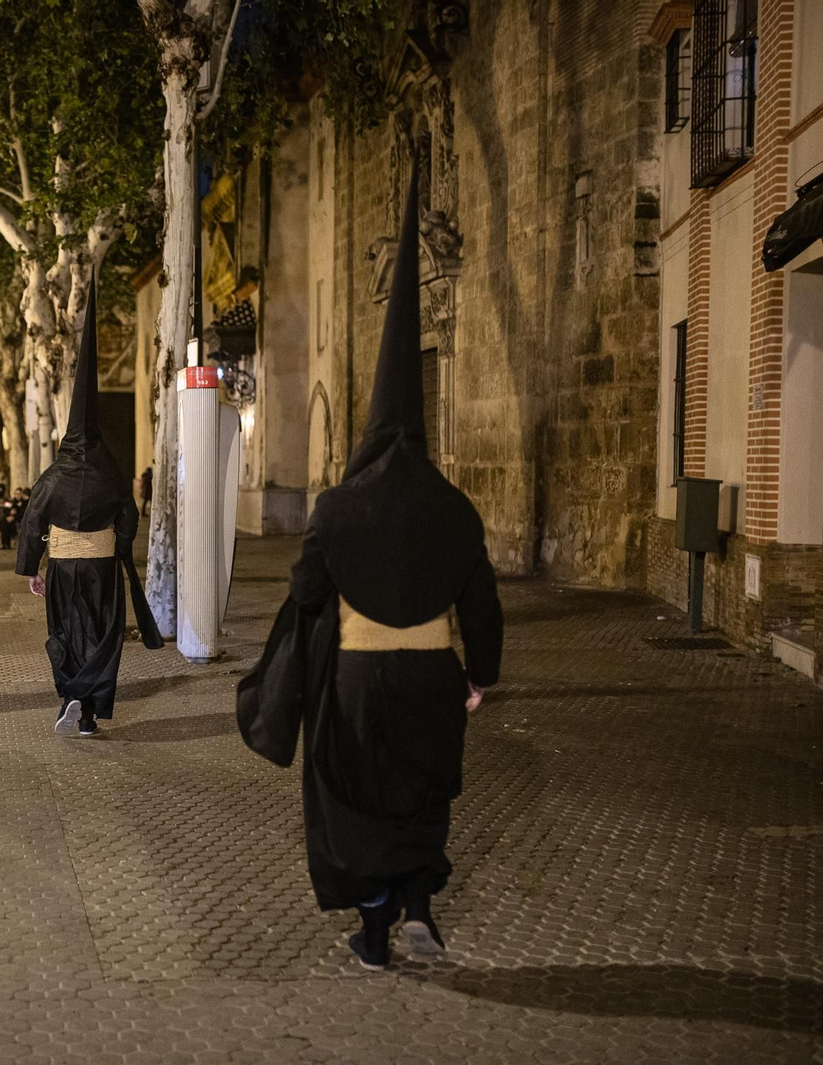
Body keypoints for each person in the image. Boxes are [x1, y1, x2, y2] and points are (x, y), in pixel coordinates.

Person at [236, 169, 502, 972]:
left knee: (352, 804)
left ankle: (378, 929)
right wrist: (479, 674)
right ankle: (419, 907)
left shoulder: (337, 508)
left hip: (354, 679)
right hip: (429, 676)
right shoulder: (455, 508)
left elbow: (307, 588)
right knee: (421, 796)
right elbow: (482, 599)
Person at [17, 280, 163, 737]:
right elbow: (129, 515)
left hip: (62, 567)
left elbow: (32, 518)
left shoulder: (53, 476)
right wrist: (118, 545)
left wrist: (30, 568)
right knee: (103, 634)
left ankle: (71, 694)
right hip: (101, 569)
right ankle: (88, 714)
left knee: (65, 632)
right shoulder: (110, 474)